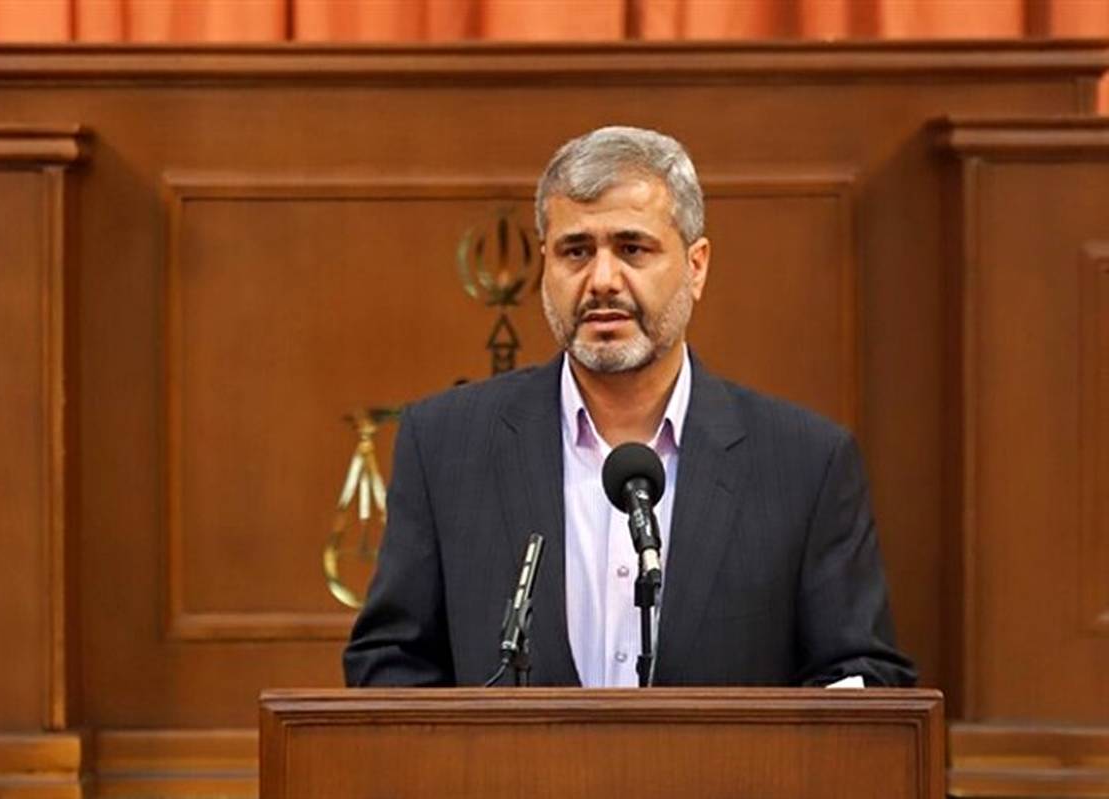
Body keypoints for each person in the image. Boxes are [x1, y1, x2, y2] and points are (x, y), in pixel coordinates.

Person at [343, 126, 916, 688]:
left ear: (696, 266)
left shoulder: (804, 464)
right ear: (545, 266)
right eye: (576, 251)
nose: (601, 280)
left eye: (632, 249)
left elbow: (861, 677)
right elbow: (390, 665)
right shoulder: (445, 445)